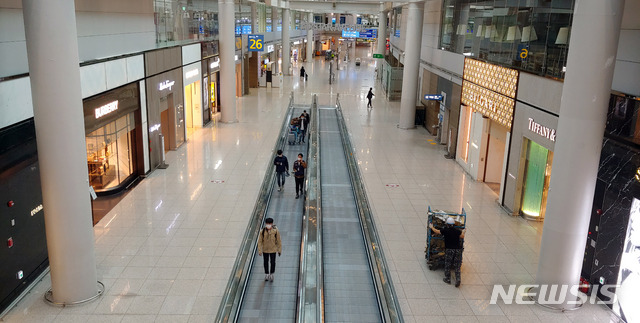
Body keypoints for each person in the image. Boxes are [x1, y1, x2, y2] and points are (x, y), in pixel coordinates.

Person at [429, 217, 465, 287]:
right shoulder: (457, 231)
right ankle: (458, 279)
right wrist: (464, 231)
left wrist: (431, 227)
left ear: (447, 224)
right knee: (457, 266)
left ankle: (447, 278)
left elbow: (437, 231)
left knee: (448, 264)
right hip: (457, 250)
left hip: (449, 250)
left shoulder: (445, 230)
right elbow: (462, 236)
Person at [257, 218, 282, 282]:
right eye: (267, 224)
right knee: (265, 262)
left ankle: (271, 273)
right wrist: (260, 250)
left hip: (273, 249)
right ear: (266, 224)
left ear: (272, 224)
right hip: (265, 250)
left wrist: (279, 250)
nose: (268, 225)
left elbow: (279, 241)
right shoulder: (262, 231)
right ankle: (267, 273)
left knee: (273, 262)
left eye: (270, 224)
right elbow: (260, 241)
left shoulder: (275, 231)